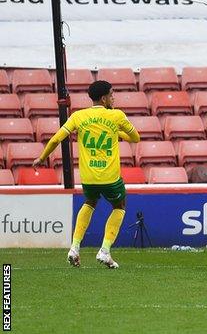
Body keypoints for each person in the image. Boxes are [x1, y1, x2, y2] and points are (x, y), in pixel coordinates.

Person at [33, 80, 140, 269]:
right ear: (104, 97)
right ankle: (105, 251)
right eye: (112, 94)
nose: (113, 97)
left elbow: (56, 139)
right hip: (110, 177)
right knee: (119, 206)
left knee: (90, 203)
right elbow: (135, 138)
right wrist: (117, 133)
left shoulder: (79, 116)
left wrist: (41, 158)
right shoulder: (116, 116)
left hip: (88, 178)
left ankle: (74, 248)